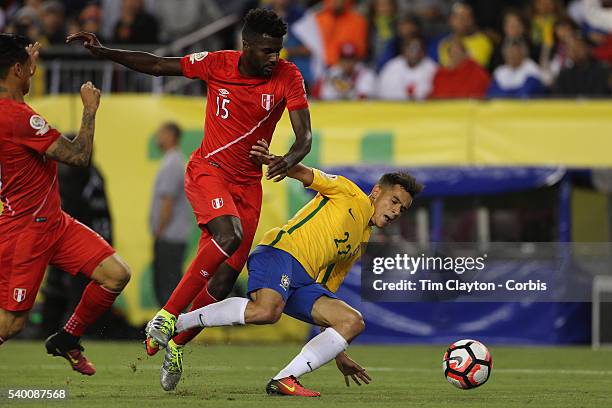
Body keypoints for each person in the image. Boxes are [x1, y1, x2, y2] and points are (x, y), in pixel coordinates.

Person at [67, 8, 312, 387]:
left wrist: (288, 159)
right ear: (245, 46)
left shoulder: (288, 75)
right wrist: (106, 52)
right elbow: (158, 65)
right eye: (266, 51)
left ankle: (176, 342)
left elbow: (304, 136)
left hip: (248, 186)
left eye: (277, 51)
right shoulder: (216, 64)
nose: (273, 58)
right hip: (209, 171)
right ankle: (166, 316)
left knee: (221, 284)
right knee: (227, 235)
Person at [170, 139, 423, 396]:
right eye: (394, 201)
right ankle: (177, 324)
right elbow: (304, 173)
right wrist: (271, 159)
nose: (396, 211)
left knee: (351, 321)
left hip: (302, 282)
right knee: (267, 311)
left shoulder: (362, 240)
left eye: (402, 209)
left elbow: (325, 287)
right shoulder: (349, 192)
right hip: (280, 253)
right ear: (377, 191)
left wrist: (338, 351)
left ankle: (285, 378)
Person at [0, 34, 131, 375]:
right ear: (15, 69)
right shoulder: (16, 117)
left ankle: (67, 338)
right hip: (25, 230)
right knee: (10, 325)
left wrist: (24, 59)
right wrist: (89, 109)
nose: (33, 73)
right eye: (29, 69)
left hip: (54, 222)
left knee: (116, 275)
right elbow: (78, 155)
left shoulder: (11, 111)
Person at [150, 122, 191, 306]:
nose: (157, 137)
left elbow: (167, 201)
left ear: (170, 135)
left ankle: (171, 331)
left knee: (168, 287)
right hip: (172, 235)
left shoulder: (172, 163)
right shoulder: (173, 161)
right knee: (169, 284)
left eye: (160, 133)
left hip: (170, 236)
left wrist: (159, 230)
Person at [431, 2, 493, 68]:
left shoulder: (483, 41)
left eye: (468, 16)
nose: (463, 20)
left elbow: (476, 70)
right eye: (458, 17)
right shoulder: (444, 43)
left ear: (473, 20)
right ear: (450, 20)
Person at [377, 37, 437, 101]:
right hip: (396, 108)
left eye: (417, 49)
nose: (414, 52)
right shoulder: (391, 67)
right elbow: (384, 94)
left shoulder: (432, 68)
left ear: (423, 51)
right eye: (410, 48)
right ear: (403, 50)